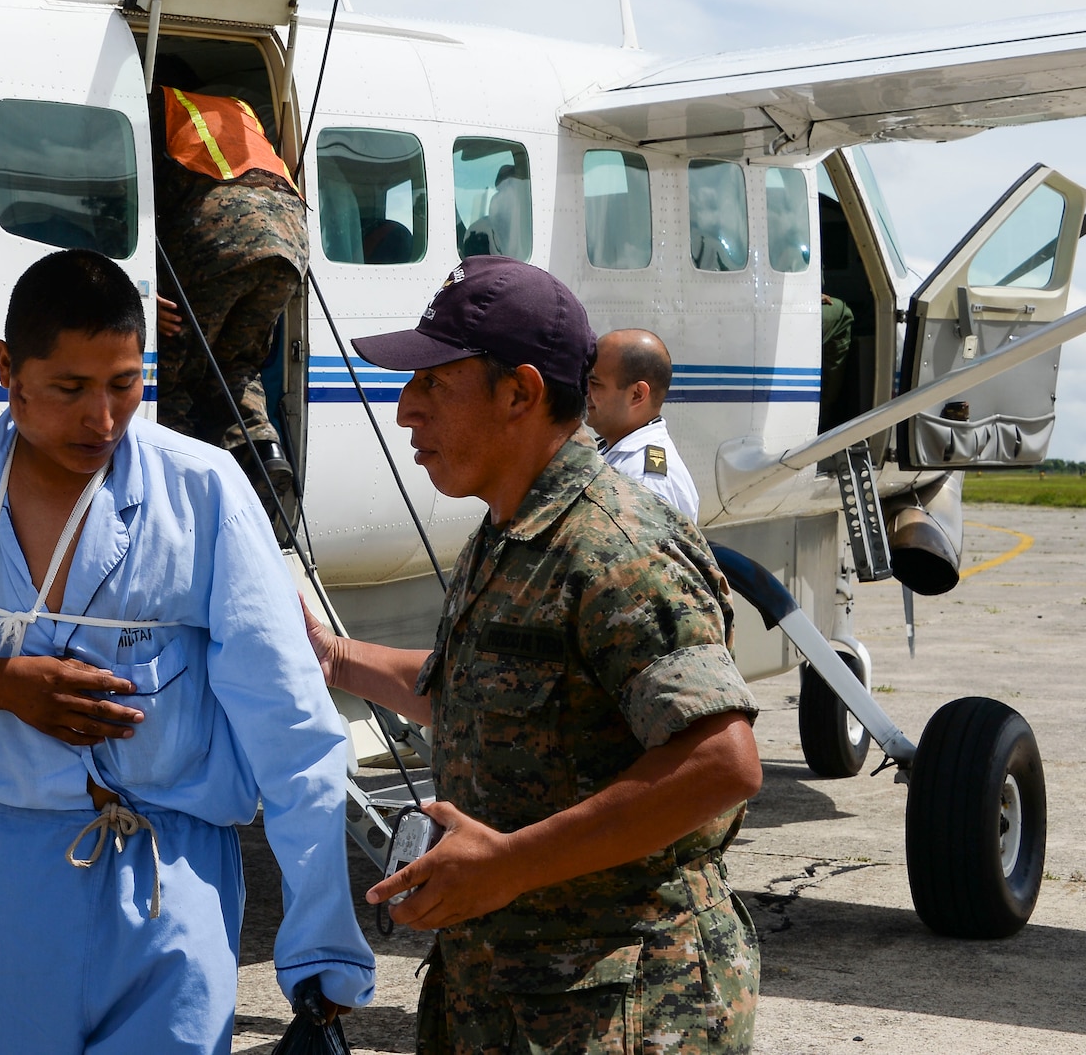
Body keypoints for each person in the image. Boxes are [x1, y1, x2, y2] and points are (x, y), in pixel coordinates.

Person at [0, 249, 373, 1055]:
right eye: (70, 388)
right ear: (8, 373)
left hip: (175, 879)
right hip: (12, 880)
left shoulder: (204, 491)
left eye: (124, 384)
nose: (102, 419)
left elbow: (290, 722)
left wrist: (322, 941)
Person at [308, 255, 763, 1055]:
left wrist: (509, 863)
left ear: (518, 392)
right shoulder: (512, 530)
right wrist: (335, 657)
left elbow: (720, 761)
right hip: (519, 1000)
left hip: (625, 1009)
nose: (406, 409)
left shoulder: (615, 543)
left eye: (433, 384)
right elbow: (485, 698)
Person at [150, 57, 307, 500]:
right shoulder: (240, 111)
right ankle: (263, 453)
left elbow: (140, 199)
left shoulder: (156, 105)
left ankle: (176, 478)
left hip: (223, 233)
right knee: (237, 361)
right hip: (290, 241)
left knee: (176, 367)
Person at [584, 328, 700, 522]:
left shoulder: (645, 481)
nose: (585, 391)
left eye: (595, 383)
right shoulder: (615, 453)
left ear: (637, 394)